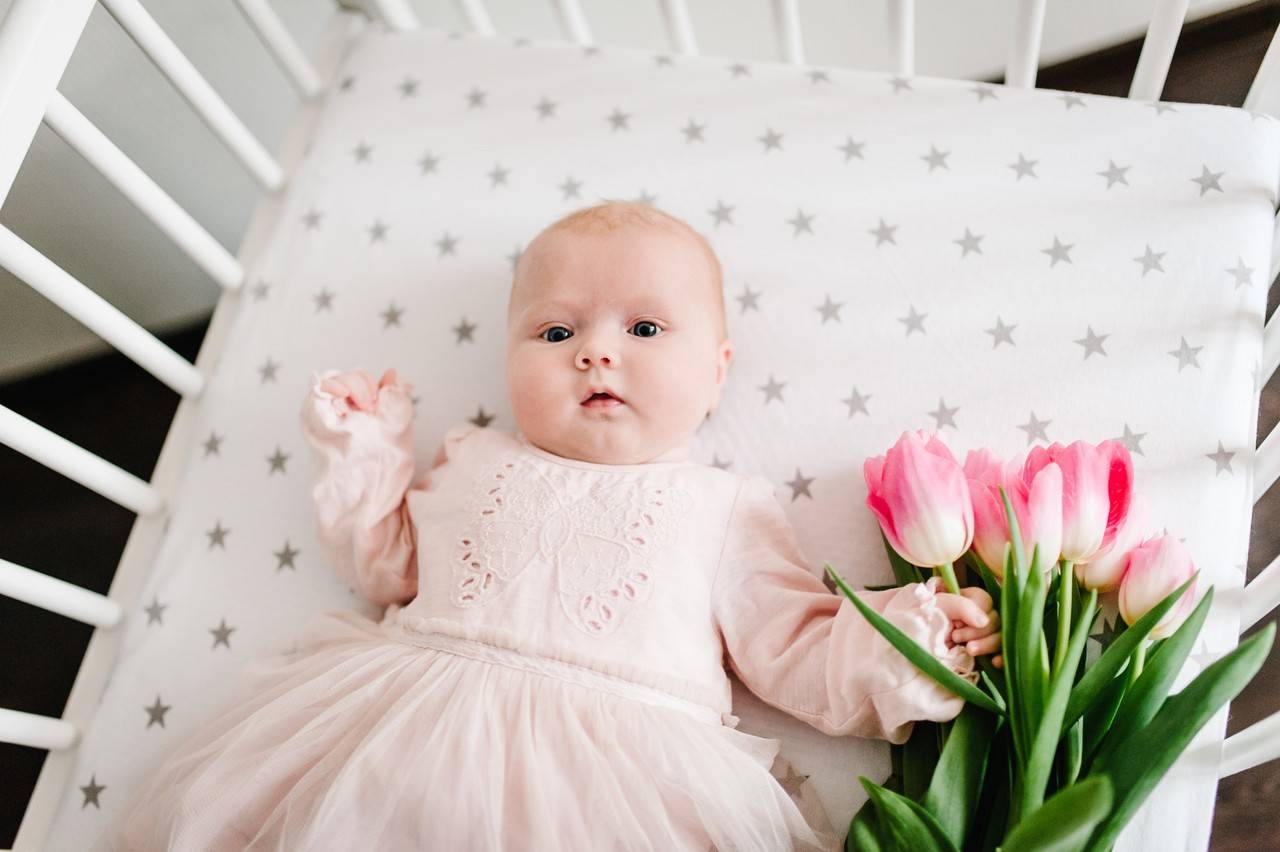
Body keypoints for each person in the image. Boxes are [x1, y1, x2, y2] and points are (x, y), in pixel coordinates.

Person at [106, 200, 999, 851]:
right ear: (506, 359)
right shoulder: (471, 458)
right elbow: (385, 565)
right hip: (403, 734)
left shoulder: (721, 507)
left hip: (623, 783)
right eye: (554, 330)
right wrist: (366, 453)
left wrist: (906, 643)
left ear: (718, 369)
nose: (595, 350)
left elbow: (795, 648)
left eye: (644, 327)